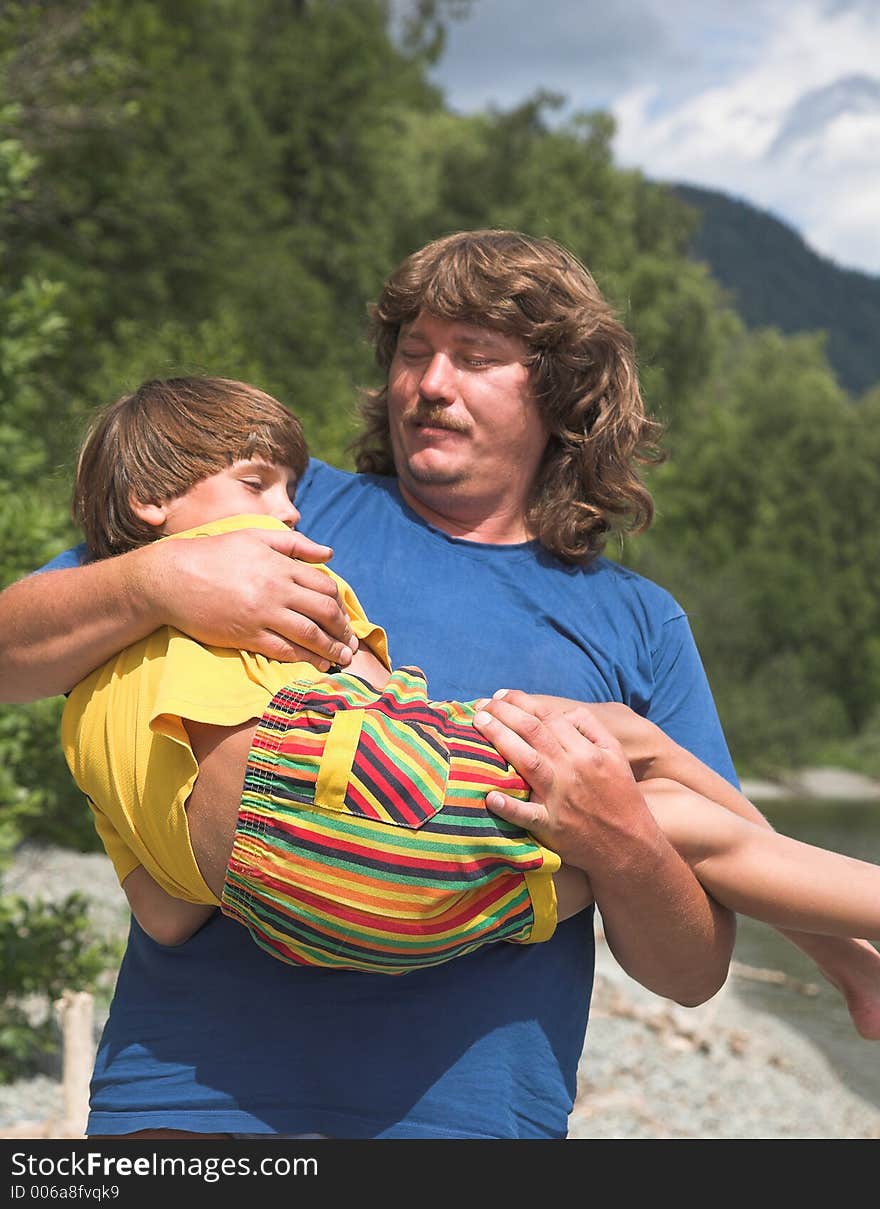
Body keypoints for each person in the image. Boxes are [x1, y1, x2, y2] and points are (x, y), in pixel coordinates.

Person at [0, 228, 875, 1139]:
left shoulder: (638, 622)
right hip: (186, 1110)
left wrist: (618, 841)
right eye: (413, 353)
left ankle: (848, 951)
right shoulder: (271, 511)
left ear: (562, 390)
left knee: (666, 797)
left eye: (475, 357)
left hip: (469, 1128)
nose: (429, 383)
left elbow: (690, 974)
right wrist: (153, 582)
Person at [63, 375, 880, 980]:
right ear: (148, 500)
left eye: (286, 487)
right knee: (649, 780)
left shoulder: (88, 684)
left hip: (316, 920)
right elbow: (378, 701)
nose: (289, 511)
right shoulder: (268, 581)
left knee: (634, 829)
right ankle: (845, 948)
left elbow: (167, 915)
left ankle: (844, 953)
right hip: (381, 835)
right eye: (257, 485)